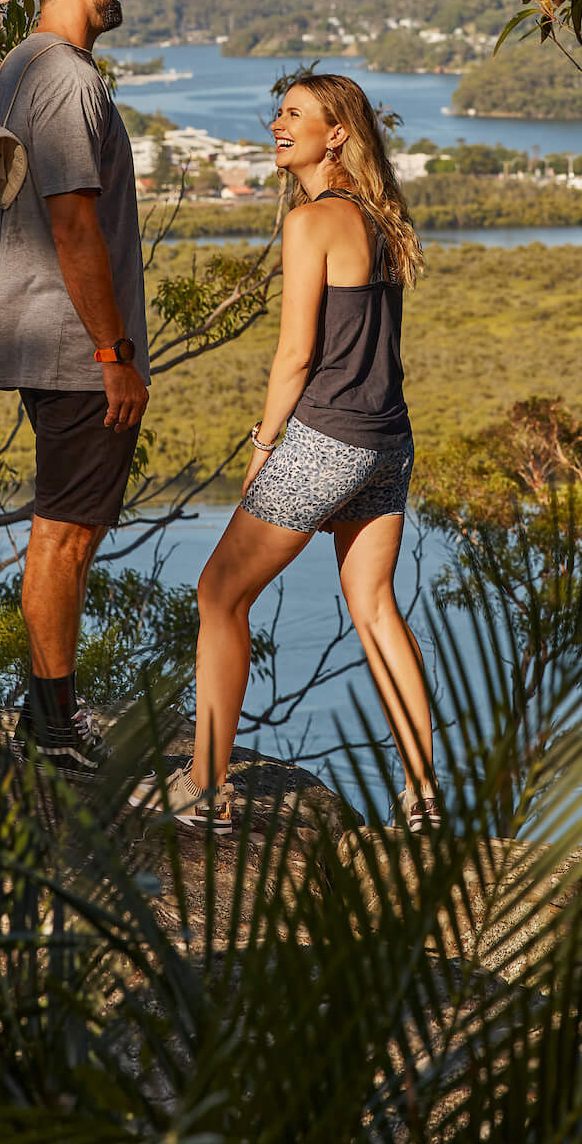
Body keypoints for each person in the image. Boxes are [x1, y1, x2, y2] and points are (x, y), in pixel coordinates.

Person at [134, 73, 436, 832]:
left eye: (295, 114)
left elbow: (296, 355)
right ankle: (423, 796)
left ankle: (206, 789)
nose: (277, 122)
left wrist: (264, 444)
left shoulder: (313, 222)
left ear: (335, 135)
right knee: (374, 609)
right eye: (277, 110)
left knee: (218, 596)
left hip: (326, 438)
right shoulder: (380, 218)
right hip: (386, 442)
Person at [0, 0, 150, 772]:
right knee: (66, 533)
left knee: (64, 528)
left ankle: (45, 711)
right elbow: (73, 225)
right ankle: (52, 726)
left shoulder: (18, 69)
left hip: (43, 334)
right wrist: (114, 355)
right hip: (76, 348)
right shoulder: (68, 80)